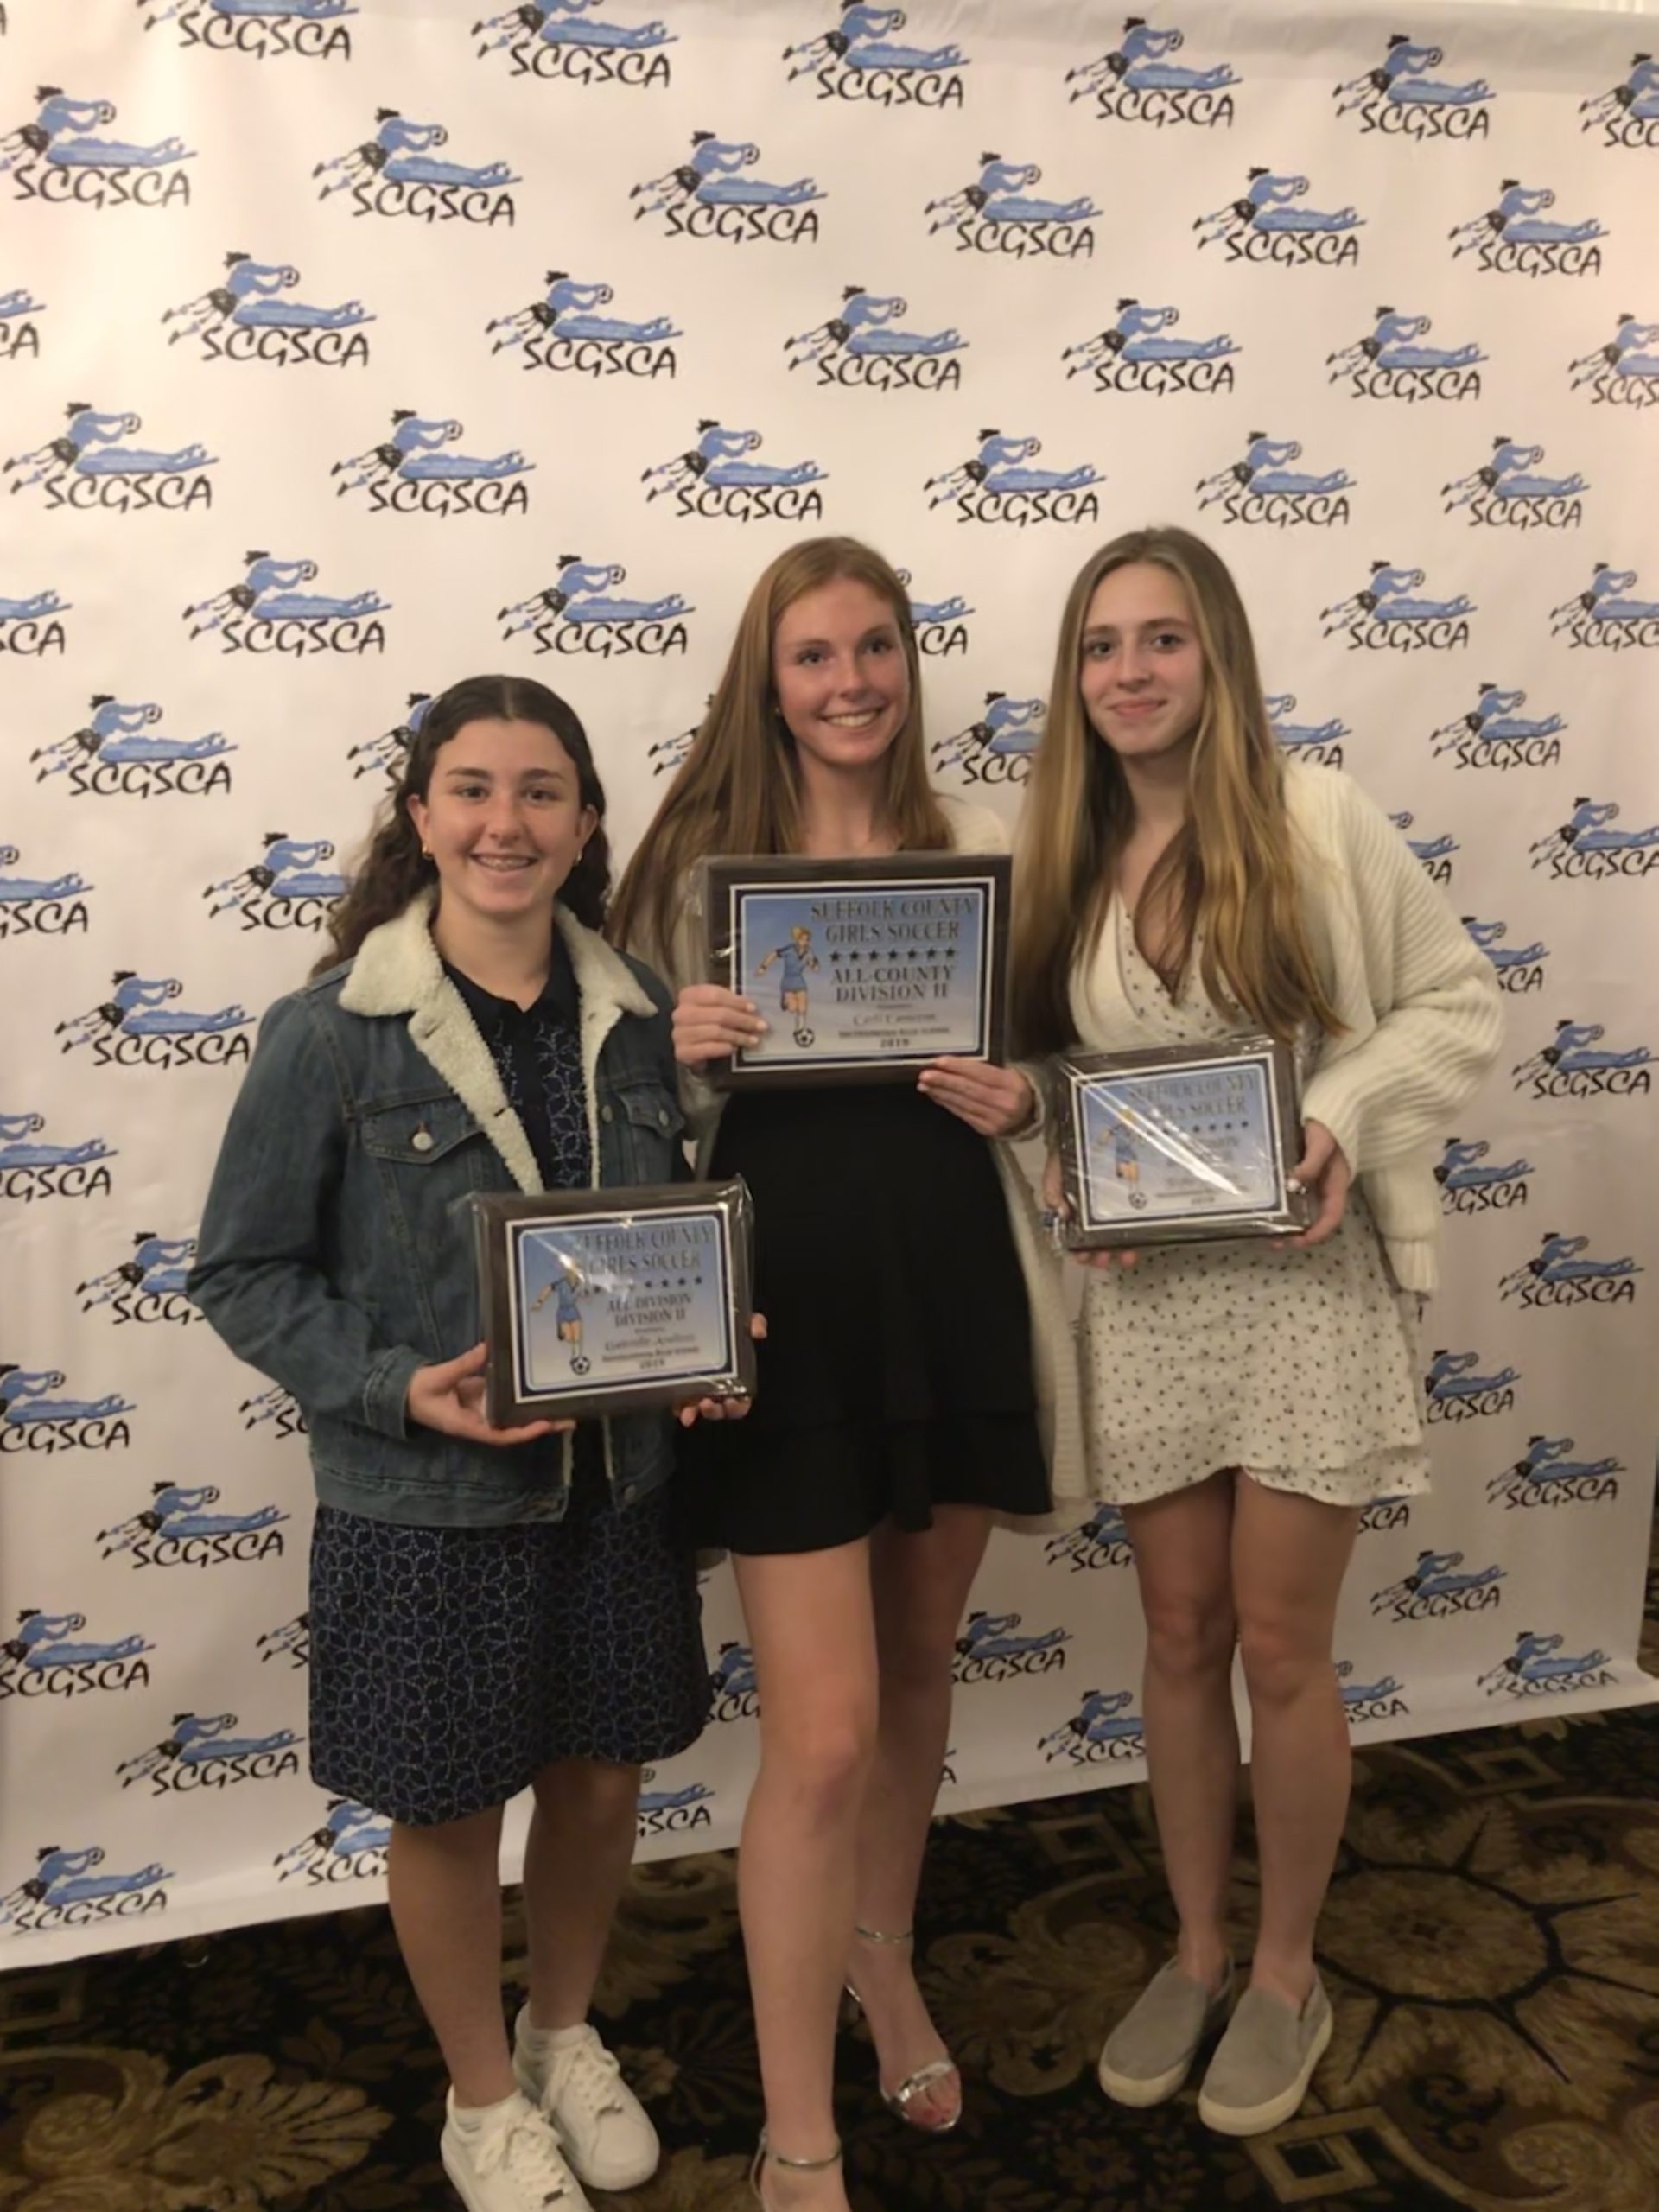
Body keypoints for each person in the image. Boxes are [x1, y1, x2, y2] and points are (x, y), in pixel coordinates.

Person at [189, 675, 755, 2212]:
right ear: (424, 816)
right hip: (427, 1500)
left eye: (542, 792)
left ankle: (563, 2033)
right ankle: (484, 2097)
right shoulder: (330, 1034)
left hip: (615, 1485)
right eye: (475, 789)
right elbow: (240, 1273)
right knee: (444, 1806)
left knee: (596, 1779)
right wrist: (392, 1386)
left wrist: (711, 1343)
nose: (508, 822)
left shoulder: (640, 1014)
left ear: (583, 826)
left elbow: (672, 1246)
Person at [1008, 527, 1502, 2138]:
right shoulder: (1062, 858)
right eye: (1100, 647)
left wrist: (1345, 1116)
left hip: (1300, 1286)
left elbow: (1455, 1002)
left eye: (1161, 640)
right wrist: (1063, 1173)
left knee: (1282, 1648)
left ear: (1217, 657)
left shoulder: (1316, 820)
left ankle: (1288, 1967)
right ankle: (1199, 1946)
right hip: (1148, 1302)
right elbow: (1051, 1090)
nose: (1129, 673)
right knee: (1176, 1641)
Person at [610, 537, 1080, 2211]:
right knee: (817, 1736)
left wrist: (1026, 1096)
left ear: (909, 662)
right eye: (815, 655)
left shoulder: (981, 851)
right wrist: (665, 1047)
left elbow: (1050, 1057)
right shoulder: (685, 863)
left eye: (875, 647)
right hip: (778, 1318)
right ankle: (796, 2121)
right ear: (770, 674)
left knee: (916, 1674)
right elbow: (604, 1103)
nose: (852, 681)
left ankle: (885, 1954)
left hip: (948, 1293)